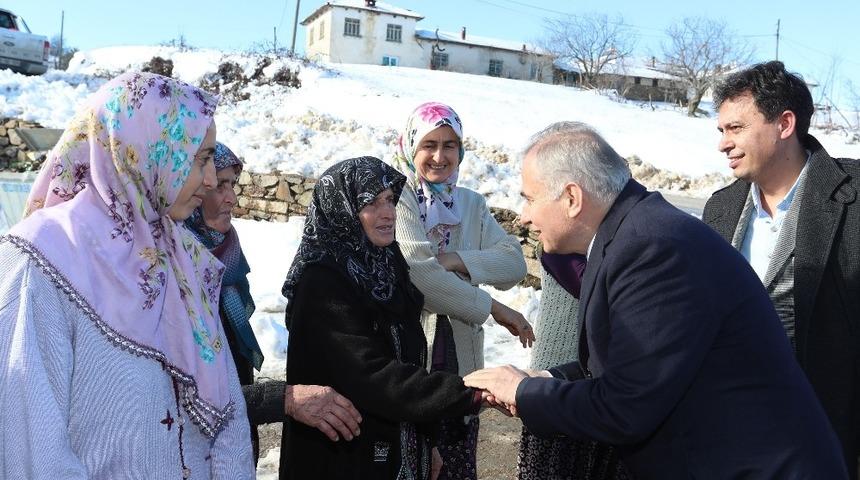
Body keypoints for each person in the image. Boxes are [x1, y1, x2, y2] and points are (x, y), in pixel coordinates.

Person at [464, 121, 849, 479]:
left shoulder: (651, 249)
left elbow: (626, 407)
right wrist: (549, 378)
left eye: (530, 199)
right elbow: (638, 364)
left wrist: (523, 391)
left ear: (571, 198)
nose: (526, 216)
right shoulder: (634, 233)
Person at [0, 72, 255, 478]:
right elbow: (32, 446)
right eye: (200, 158)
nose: (210, 182)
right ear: (145, 149)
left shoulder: (185, 258)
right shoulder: (44, 258)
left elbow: (229, 422)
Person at [280, 156, 485, 479]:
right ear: (343, 209)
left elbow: (411, 359)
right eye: (371, 204)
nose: (388, 213)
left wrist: (427, 441)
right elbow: (370, 374)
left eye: (390, 200)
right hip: (342, 459)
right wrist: (469, 392)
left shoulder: (389, 265)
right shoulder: (322, 281)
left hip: (396, 450)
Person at [702, 61, 860, 478]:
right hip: (733, 438)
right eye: (721, 131)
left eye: (735, 128)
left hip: (827, 439)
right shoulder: (720, 208)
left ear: (785, 123)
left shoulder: (855, 196)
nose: (723, 143)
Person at [183, 142, 361, 462]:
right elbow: (186, 398)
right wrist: (285, 400)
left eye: (233, 185)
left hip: (231, 445)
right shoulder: (172, 276)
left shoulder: (225, 261)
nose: (232, 198)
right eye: (219, 184)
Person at [393, 101, 533, 479]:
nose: (440, 156)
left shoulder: (470, 203)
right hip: (411, 357)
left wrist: (457, 259)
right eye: (429, 145)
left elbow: (514, 264)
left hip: (460, 357)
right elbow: (420, 278)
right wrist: (495, 308)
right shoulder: (398, 199)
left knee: (456, 465)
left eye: (450, 144)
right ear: (410, 147)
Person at [517, 253, 629, 480]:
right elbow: (599, 288)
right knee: (553, 466)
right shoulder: (559, 243)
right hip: (557, 372)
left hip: (596, 378)